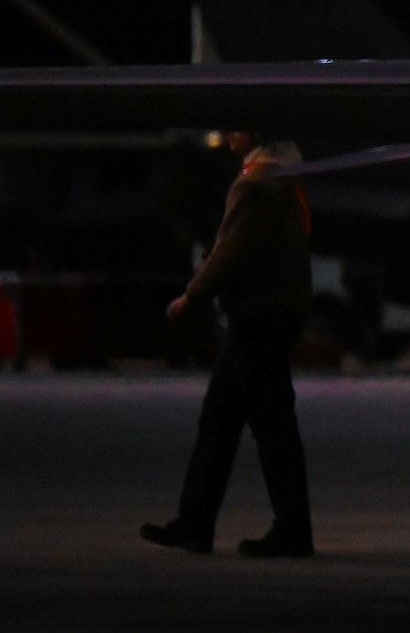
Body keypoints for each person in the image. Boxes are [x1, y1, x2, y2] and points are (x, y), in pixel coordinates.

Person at [142, 132, 315, 558]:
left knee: (268, 424)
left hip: (258, 316)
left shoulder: (256, 184)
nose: (229, 134)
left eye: (237, 127)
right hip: (273, 313)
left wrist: (191, 296)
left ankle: (290, 531)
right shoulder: (284, 178)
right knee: (220, 420)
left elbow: (231, 252)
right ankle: (195, 524)